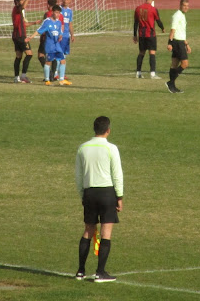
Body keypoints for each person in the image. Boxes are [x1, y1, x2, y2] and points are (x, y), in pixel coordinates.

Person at [75, 116, 123, 283]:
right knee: (106, 232)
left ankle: (80, 271)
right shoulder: (111, 149)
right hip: (107, 193)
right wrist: (120, 197)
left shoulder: (82, 148)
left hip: (89, 193)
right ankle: (100, 272)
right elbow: (117, 175)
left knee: (88, 230)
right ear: (108, 130)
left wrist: (83, 195)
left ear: (94, 129)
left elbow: (79, 176)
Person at [26, 5, 71, 85]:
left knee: (63, 60)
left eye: (59, 13)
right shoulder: (47, 21)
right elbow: (39, 30)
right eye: (56, 12)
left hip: (57, 45)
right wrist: (30, 37)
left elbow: (60, 32)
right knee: (48, 62)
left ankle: (61, 79)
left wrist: (60, 36)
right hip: (49, 45)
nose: (57, 15)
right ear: (52, 12)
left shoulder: (59, 22)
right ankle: (47, 80)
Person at [133, 0, 165, 79]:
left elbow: (136, 23)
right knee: (152, 53)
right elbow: (158, 21)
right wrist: (162, 28)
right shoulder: (153, 9)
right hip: (150, 34)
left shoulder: (138, 8)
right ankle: (152, 74)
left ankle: (138, 72)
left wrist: (134, 35)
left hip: (141, 34)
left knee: (141, 53)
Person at [166, 0, 191, 93]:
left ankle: (172, 86)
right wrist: (169, 43)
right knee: (185, 64)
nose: (186, 8)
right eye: (184, 6)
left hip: (181, 42)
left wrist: (187, 44)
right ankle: (171, 83)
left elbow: (182, 31)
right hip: (177, 43)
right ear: (180, 5)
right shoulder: (177, 16)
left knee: (174, 64)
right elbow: (173, 30)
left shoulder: (182, 15)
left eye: (187, 6)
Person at [12, 0, 36, 83]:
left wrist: (34, 22)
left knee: (18, 56)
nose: (23, 2)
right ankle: (23, 76)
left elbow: (23, 24)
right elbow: (23, 6)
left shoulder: (17, 12)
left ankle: (16, 77)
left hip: (15, 36)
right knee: (29, 54)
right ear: (17, 2)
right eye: (21, 0)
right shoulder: (17, 8)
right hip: (20, 36)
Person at [56, 0, 75, 80]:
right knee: (58, 54)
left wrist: (72, 35)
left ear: (70, 0)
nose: (65, 1)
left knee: (64, 54)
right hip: (60, 36)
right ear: (62, 0)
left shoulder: (70, 11)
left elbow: (70, 23)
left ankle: (61, 73)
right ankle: (56, 73)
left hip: (66, 36)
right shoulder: (58, 10)